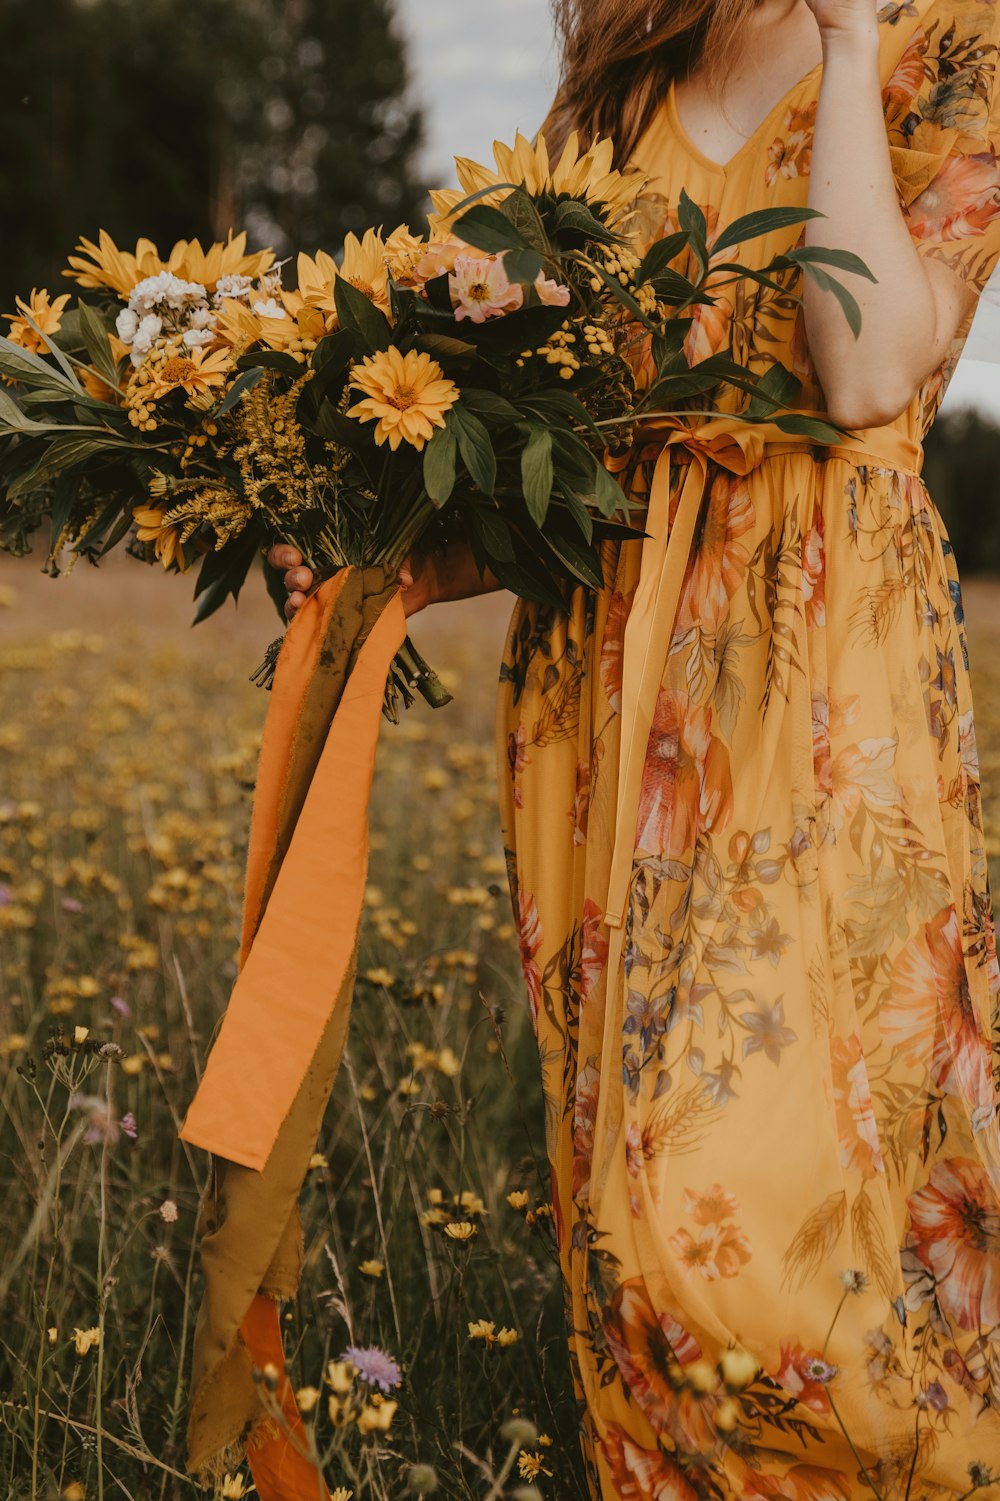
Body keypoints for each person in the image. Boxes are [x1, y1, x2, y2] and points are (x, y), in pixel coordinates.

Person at [269, 0, 1000, 1492]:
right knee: (619, 1208)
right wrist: (395, 566)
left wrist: (852, 46)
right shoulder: (635, 60)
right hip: (609, 684)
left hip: (820, 679)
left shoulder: (956, 45)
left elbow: (868, 378)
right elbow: (591, 448)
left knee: (743, 1207)